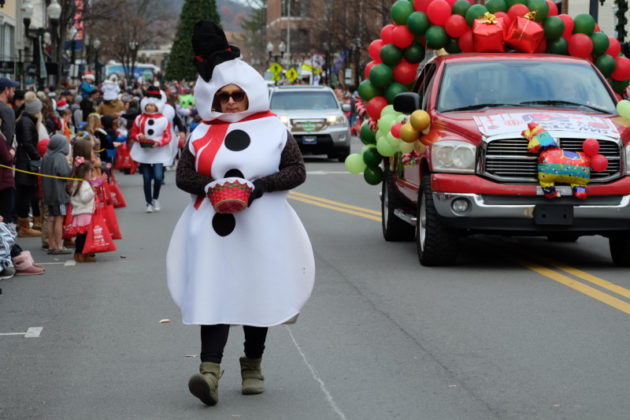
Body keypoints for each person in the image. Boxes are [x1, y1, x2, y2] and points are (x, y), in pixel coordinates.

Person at [167, 20, 315, 407]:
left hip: (262, 226)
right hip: (213, 228)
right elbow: (184, 175)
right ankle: (209, 372)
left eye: (237, 95)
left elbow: (297, 170)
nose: (231, 102)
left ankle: (253, 364)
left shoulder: (273, 129)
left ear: (249, 94)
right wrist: (209, 187)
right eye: (223, 97)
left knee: (256, 292)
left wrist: (259, 186)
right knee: (212, 292)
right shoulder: (199, 133)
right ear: (212, 99)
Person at [129, 86, 172, 213]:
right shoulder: (139, 119)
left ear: (157, 106)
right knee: (146, 179)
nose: (149, 108)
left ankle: (155, 198)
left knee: (158, 177)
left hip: (158, 152)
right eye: (148, 105)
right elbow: (133, 133)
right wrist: (139, 136)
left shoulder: (164, 120)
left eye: (152, 105)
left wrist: (159, 143)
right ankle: (148, 203)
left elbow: (168, 135)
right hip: (144, 152)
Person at [14, 94, 42, 238]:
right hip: (26, 163)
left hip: (24, 161)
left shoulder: (25, 120)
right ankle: (24, 225)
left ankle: (22, 222)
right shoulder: (26, 122)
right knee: (26, 192)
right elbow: (28, 142)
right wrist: (37, 157)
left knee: (25, 192)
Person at [41, 134, 71, 255]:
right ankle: (59, 246)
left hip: (48, 192)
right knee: (59, 218)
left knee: (51, 218)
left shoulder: (46, 156)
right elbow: (65, 174)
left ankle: (51, 245)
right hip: (59, 193)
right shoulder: (60, 157)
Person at [65, 159, 96, 262]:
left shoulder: (76, 182)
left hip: (79, 212)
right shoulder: (84, 184)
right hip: (85, 212)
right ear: (84, 173)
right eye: (90, 171)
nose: (91, 173)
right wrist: (93, 192)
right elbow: (84, 198)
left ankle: (78, 254)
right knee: (84, 236)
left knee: (80, 236)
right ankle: (83, 254)